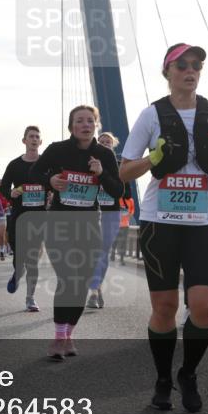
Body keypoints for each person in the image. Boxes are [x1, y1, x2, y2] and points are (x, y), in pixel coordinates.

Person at [120, 43, 208, 413]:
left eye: (197, 65)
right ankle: (162, 377)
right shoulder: (151, 115)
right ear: (167, 71)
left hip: (204, 222)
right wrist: (153, 157)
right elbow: (124, 171)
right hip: (160, 223)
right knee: (166, 307)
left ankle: (188, 372)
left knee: (204, 308)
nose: (191, 70)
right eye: (182, 64)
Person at [31, 105, 123, 360]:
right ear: (71, 126)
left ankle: (69, 333)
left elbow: (118, 192)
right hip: (59, 223)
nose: (85, 124)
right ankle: (59, 338)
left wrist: (102, 174)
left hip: (89, 225)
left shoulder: (104, 154)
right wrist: (50, 181)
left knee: (81, 282)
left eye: (90, 120)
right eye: (79, 121)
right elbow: (34, 173)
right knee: (66, 278)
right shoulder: (57, 150)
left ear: (97, 125)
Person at [0, 125, 47, 311]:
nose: (34, 139)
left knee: (32, 260)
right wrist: (11, 192)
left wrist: (51, 192)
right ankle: (17, 273)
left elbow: (56, 183)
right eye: (31, 136)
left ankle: (30, 298)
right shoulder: (14, 164)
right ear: (24, 140)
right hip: (19, 216)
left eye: (37, 137)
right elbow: (3, 187)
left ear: (40, 142)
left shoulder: (46, 164)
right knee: (19, 259)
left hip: (39, 217)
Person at [87, 132, 126, 309]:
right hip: (92, 212)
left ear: (113, 145)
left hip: (111, 213)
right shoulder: (87, 163)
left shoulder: (120, 166)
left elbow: (126, 192)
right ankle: (94, 290)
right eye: (101, 142)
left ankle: (96, 287)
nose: (104, 145)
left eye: (108, 142)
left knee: (103, 252)